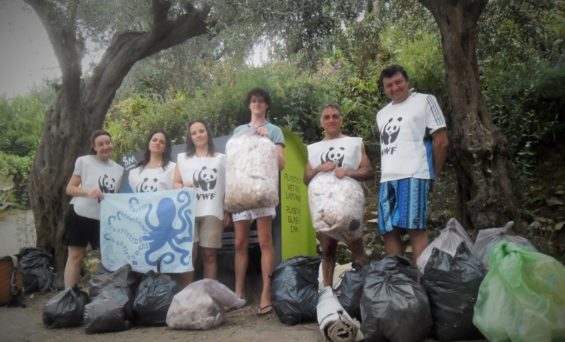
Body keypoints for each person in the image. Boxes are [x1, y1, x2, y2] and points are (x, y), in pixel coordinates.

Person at [376, 64, 449, 264]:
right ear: (385, 89)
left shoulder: (425, 101)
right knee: (388, 231)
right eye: (389, 85)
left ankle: (420, 286)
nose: (395, 88)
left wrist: (433, 174)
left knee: (416, 229)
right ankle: (398, 284)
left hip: (415, 174)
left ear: (407, 81)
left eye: (398, 82)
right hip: (388, 179)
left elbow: (441, 141)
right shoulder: (381, 114)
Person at [304, 104, 374, 287]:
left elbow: (368, 171)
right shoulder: (314, 149)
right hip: (324, 209)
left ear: (341, 120)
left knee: (357, 249)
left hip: (348, 207)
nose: (331, 120)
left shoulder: (355, 143)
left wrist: (349, 173)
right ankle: (327, 292)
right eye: (326, 117)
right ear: (321, 123)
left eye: (335, 116)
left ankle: (370, 289)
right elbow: (306, 178)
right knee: (327, 250)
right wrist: (319, 168)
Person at [231, 87, 285, 316]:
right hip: (241, 191)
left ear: (267, 106)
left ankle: (266, 293)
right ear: (248, 105)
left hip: (263, 191)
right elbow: (233, 163)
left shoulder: (274, 130)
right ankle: (238, 294)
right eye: (253, 101)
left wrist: (268, 142)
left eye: (261, 101)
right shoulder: (238, 131)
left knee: (265, 242)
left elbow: (281, 163)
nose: (257, 104)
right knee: (240, 243)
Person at [63, 129, 124, 288]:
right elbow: (70, 189)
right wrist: (88, 191)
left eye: (108, 143)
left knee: (107, 258)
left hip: (102, 219)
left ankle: (103, 297)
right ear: (94, 147)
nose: (105, 146)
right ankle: (69, 296)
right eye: (100, 144)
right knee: (75, 257)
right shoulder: (84, 161)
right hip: (79, 215)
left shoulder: (119, 169)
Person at [174, 120, 229, 284]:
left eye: (201, 131)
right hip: (188, 212)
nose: (198, 135)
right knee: (189, 255)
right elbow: (175, 183)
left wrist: (228, 210)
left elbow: (227, 187)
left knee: (209, 255)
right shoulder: (182, 158)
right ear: (190, 137)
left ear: (207, 133)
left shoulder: (221, 159)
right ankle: (187, 295)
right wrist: (183, 186)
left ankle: (209, 296)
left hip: (213, 211)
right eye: (194, 133)